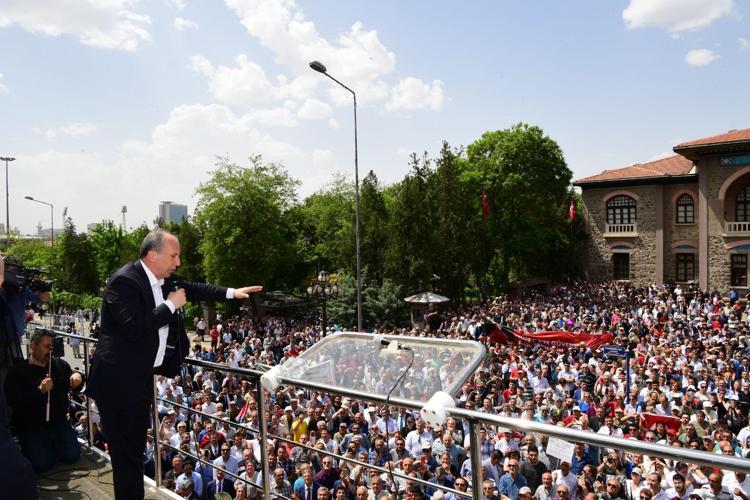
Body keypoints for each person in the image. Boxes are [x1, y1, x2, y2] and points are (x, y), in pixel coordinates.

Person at [86, 229, 262, 499]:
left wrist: (232, 292)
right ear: (152, 255)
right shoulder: (124, 281)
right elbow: (134, 328)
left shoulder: (164, 279)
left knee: (134, 451)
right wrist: (170, 305)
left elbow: (196, 288)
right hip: (117, 382)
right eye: (173, 256)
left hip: (140, 378)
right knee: (124, 455)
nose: (178, 262)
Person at [4, 328, 84, 472]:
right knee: (43, 464)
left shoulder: (59, 365)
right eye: (47, 347)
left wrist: (78, 378)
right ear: (33, 346)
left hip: (58, 421)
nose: (50, 351)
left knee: (72, 456)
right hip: (32, 424)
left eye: (52, 347)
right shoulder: (17, 372)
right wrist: (39, 390)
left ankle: (51, 445)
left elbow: (74, 383)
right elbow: (14, 402)